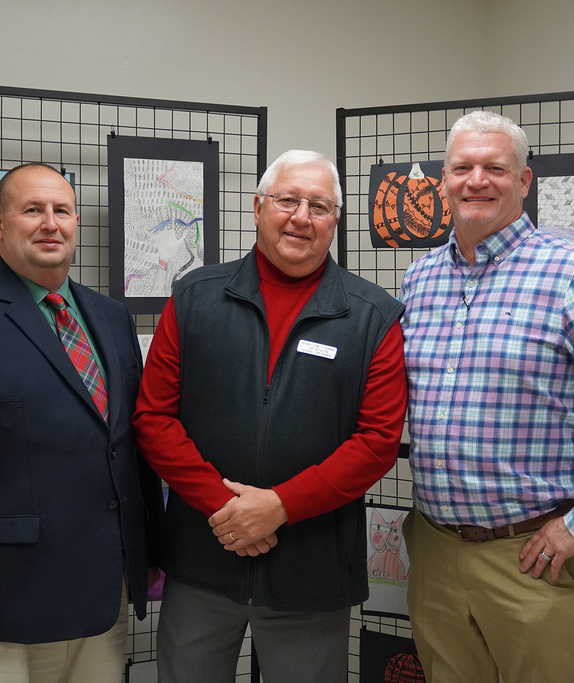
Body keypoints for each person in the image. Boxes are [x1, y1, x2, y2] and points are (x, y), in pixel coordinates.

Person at [400, 111, 574, 682]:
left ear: (524, 182)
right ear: (444, 180)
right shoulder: (421, 277)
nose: (476, 180)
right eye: (462, 167)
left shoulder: (573, 274)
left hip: (529, 556)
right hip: (433, 548)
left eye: (495, 168)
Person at [132, 150, 408, 683]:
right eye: (288, 200)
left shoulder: (373, 315)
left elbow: (376, 441)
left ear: (335, 221)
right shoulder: (195, 298)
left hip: (310, 567)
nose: (302, 217)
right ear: (258, 208)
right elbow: (154, 418)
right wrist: (227, 508)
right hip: (203, 558)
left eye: (320, 206)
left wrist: (280, 507)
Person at [0, 162, 163, 683]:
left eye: (61, 210)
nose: (50, 223)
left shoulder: (111, 318)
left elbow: (131, 445)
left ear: (76, 221)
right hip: (3, 598)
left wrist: (146, 552)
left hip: (102, 588)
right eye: (32, 210)